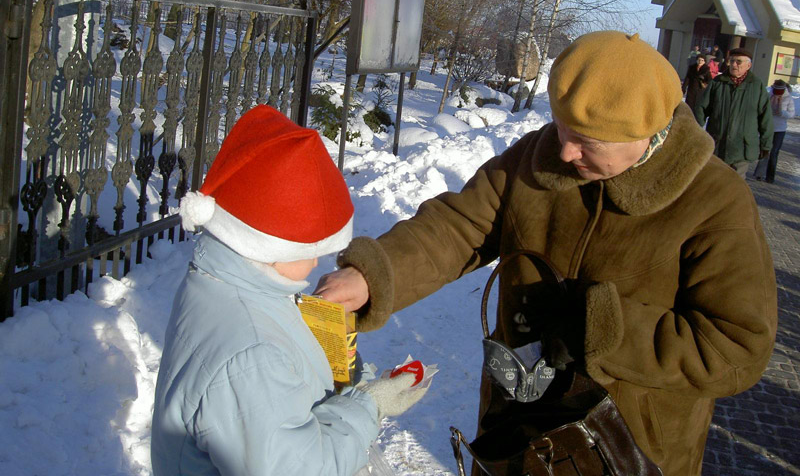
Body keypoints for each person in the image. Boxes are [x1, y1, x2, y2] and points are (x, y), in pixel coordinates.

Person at [314, 31, 777, 476]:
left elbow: (736, 346)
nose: (565, 150)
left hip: (628, 448)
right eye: (561, 127)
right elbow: (460, 227)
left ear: (647, 134)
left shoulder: (716, 200)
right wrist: (375, 275)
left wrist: (607, 331)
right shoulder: (540, 155)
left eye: (588, 142)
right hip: (515, 430)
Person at [151, 105, 427, 476]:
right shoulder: (251, 358)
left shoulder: (224, 282)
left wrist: (337, 368)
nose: (316, 264)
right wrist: (369, 404)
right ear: (268, 246)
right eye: (309, 251)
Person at [694, 47, 773, 177]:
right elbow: (701, 108)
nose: (734, 65)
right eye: (732, 61)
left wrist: (766, 145)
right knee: (714, 185)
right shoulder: (718, 83)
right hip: (718, 145)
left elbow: (766, 118)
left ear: (748, 65)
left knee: (735, 188)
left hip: (741, 148)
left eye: (739, 61)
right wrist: (696, 132)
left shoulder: (756, 86)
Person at [754, 79, 795, 183]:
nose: (777, 92)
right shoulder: (768, 96)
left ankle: (770, 176)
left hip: (780, 129)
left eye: (779, 90)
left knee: (774, 152)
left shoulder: (788, 98)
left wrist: (782, 113)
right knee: (764, 150)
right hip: (768, 127)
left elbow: (792, 114)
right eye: (775, 90)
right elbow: (761, 109)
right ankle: (759, 173)